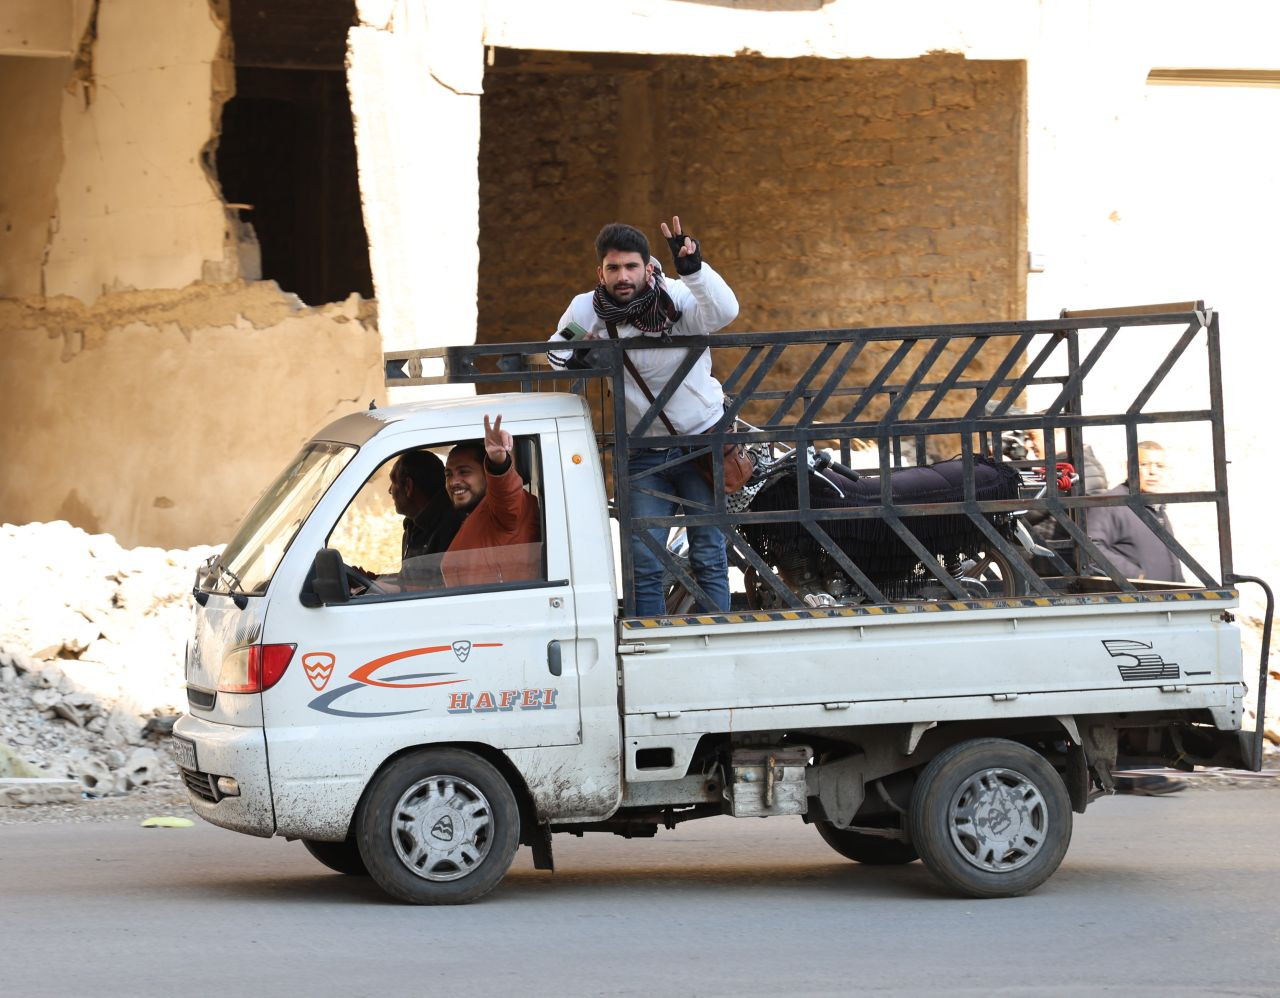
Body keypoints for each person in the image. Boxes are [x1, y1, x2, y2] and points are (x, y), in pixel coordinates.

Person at [548, 217, 739, 616]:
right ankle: (652, 648)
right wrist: (580, 356)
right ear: (599, 272)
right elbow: (555, 351)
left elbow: (724, 312)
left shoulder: (677, 298)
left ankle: (718, 640)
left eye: (632, 266)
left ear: (648, 267)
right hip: (644, 451)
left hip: (702, 443)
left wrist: (695, 270)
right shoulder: (588, 309)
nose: (623, 276)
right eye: (613, 268)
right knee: (643, 560)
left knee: (709, 552)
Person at [441, 414, 541, 588]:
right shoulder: (473, 513)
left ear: (487, 474)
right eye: (448, 474)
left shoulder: (506, 511)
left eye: (464, 472)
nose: (453, 481)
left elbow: (506, 492)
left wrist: (498, 461)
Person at [1087, 440, 1184, 583]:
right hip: (1137, 599)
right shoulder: (1111, 504)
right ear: (1128, 467)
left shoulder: (1155, 506)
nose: (1152, 472)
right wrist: (1136, 577)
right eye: (1144, 464)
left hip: (1167, 599)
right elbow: (1089, 548)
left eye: (1160, 466)